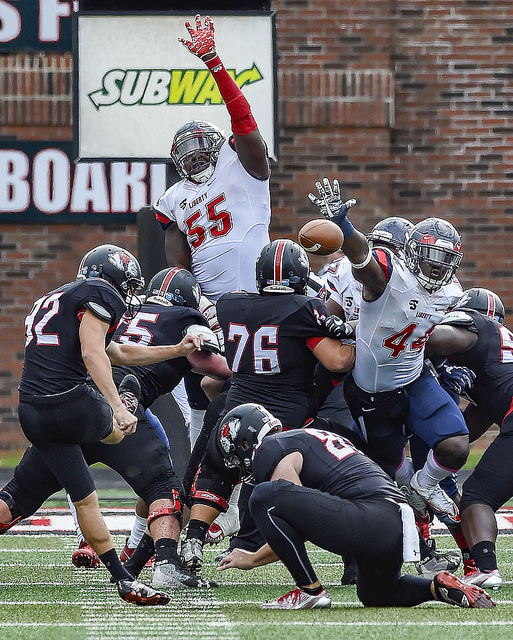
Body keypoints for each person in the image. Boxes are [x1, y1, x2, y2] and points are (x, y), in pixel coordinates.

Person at [0, 245, 207, 605]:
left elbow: (119, 352)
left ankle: (123, 578)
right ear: (113, 279)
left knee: (72, 500)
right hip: (74, 405)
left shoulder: (57, 297)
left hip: (33, 412)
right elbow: (92, 353)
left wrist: (176, 349)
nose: (128, 294)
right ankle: (127, 402)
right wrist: (119, 407)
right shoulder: (101, 292)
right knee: (125, 437)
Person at [175, 238, 356, 572]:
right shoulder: (304, 308)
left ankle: (194, 539)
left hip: (237, 411)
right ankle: (343, 557)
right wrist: (359, 337)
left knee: (217, 469)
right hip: (285, 419)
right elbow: (337, 361)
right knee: (328, 466)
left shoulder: (231, 304)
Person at [212, 404, 494, 610]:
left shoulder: (271, 447)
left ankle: (309, 590)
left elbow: (291, 515)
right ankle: (437, 586)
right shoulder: (308, 437)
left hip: (369, 517)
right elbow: (307, 513)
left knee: (263, 496)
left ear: (245, 441)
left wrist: (252, 558)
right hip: (396, 522)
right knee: (378, 595)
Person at [308, 178, 468, 526]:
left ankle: (426, 484)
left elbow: (460, 332)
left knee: (456, 445)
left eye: (446, 260)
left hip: (416, 377)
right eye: (431, 258)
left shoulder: (451, 291)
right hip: (372, 391)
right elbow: (362, 257)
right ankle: (416, 519)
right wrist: (343, 226)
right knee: (395, 469)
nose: (438, 268)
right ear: (411, 253)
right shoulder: (389, 277)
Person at [66, 266, 232, 591]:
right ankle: (164, 563)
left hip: (75, 400)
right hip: (122, 406)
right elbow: (219, 368)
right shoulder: (186, 318)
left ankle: (130, 557)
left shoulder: (126, 313)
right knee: (164, 486)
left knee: (24, 491)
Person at [153, 13, 271, 447]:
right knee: (202, 397)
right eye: (186, 152)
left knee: (263, 390)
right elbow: (178, 265)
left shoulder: (243, 166)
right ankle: (196, 460)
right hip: (209, 309)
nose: (195, 156)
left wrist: (215, 64)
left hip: (260, 300)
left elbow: (245, 120)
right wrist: (196, 304)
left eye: (202, 146)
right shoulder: (173, 198)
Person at [425, 287, 509, 589]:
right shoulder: (496, 359)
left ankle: (485, 568)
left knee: (477, 496)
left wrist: (400, 334)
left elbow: (433, 337)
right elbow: (466, 429)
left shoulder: (476, 328)